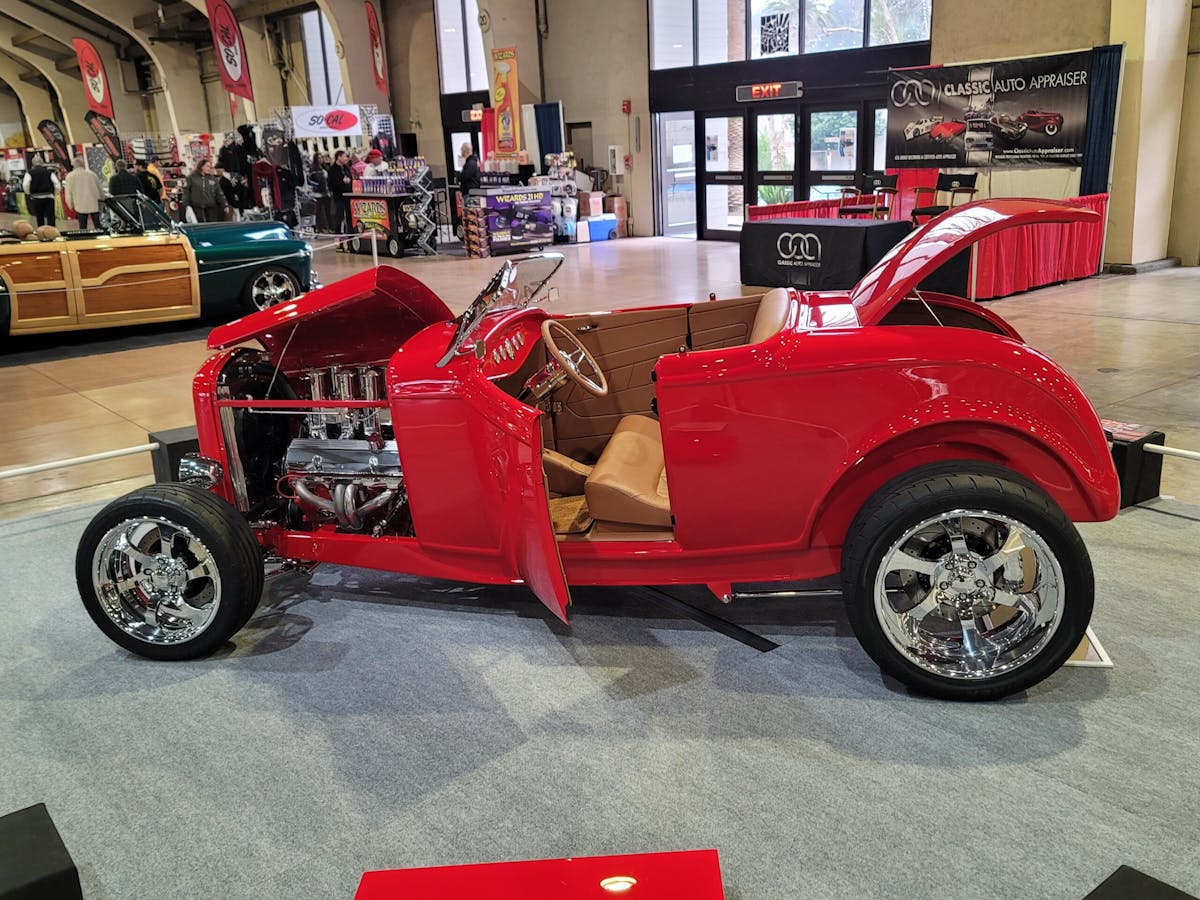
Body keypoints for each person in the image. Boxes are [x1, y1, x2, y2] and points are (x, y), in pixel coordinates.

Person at [183, 159, 230, 223]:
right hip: (197, 206)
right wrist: (186, 205)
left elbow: (219, 193)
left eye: (210, 167)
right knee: (200, 224)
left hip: (210, 207)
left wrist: (225, 205)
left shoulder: (213, 179)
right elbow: (186, 191)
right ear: (201, 166)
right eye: (207, 166)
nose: (209, 168)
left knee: (212, 223)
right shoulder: (191, 177)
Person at [64, 156, 103, 229]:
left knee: (82, 226)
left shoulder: (70, 176)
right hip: (94, 203)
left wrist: (70, 205)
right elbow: (100, 189)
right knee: (97, 225)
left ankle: (84, 235)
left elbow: (68, 193)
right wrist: (102, 199)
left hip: (79, 205)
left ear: (73, 165)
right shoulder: (92, 174)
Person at [23, 156, 60, 228]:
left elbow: (25, 184)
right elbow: (56, 183)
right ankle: (52, 231)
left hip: (36, 197)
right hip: (49, 197)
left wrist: (28, 193)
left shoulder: (29, 173)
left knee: (39, 217)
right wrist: (55, 193)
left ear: (33, 164)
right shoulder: (49, 172)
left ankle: (41, 231)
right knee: (51, 216)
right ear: (42, 163)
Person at [328, 149, 353, 238]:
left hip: (348, 195)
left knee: (350, 214)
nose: (346, 158)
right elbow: (331, 183)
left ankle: (350, 231)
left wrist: (349, 181)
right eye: (344, 156)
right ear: (339, 157)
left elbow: (350, 177)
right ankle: (338, 233)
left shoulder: (346, 167)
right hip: (339, 196)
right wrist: (342, 181)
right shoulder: (332, 170)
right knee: (339, 214)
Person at [308, 152, 333, 233]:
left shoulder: (325, 168)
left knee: (328, 212)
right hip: (317, 194)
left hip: (326, 192)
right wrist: (316, 186)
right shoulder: (313, 169)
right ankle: (319, 228)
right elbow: (309, 180)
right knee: (318, 212)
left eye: (321, 158)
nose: (320, 159)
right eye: (319, 158)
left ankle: (330, 227)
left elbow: (328, 180)